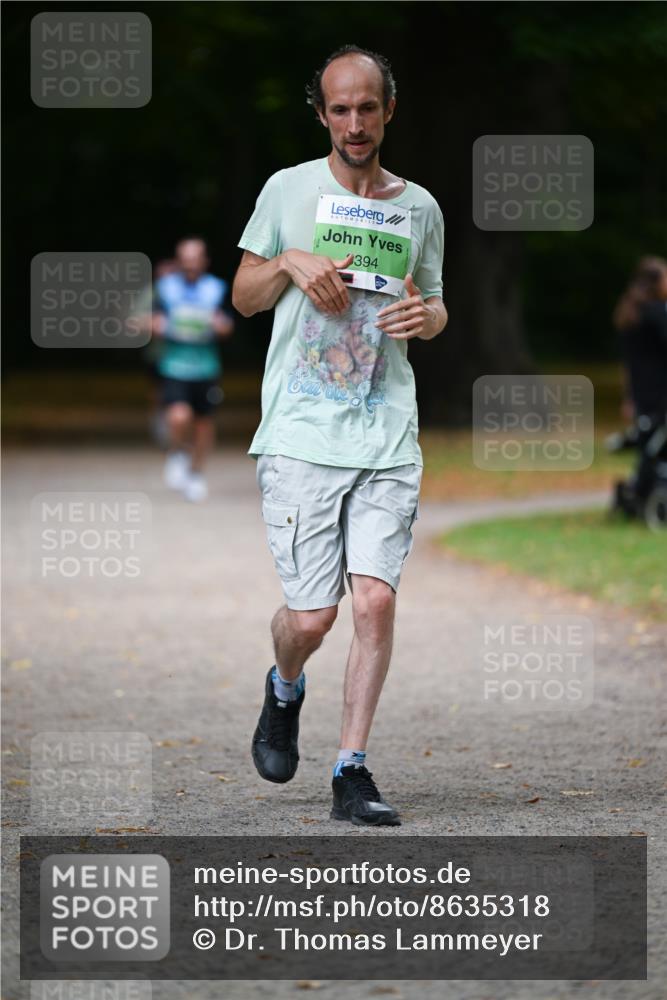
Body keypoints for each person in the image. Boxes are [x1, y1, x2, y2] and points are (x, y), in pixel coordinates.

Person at [233, 46, 447, 826]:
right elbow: (244, 296)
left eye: (366, 108)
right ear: (321, 113)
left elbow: (435, 304)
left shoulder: (418, 207)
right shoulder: (287, 190)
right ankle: (284, 685)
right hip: (300, 432)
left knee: (374, 603)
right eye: (339, 109)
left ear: (389, 110)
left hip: (385, 429)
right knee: (312, 619)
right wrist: (289, 262)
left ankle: (350, 771)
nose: (354, 123)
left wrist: (426, 317)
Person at [154, 238, 234, 502]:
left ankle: (196, 473)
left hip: (206, 368)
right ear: (178, 261)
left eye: (194, 258)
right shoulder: (165, 288)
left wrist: (220, 326)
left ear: (204, 261)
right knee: (179, 416)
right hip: (174, 366)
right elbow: (148, 320)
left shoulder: (216, 288)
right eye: (185, 259)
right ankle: (176, 453)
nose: (190, 264)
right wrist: (160, 325)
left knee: (203, 425)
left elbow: (228, 324)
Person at [612, 256, 667, 509]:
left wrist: (629, 397)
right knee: (654, 444)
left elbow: (628, 364)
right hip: (660, 392)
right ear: (657, 283)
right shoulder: (657, 314)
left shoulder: (630, 315)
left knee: (648, 444)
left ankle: (639, 492)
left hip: (641, 393)